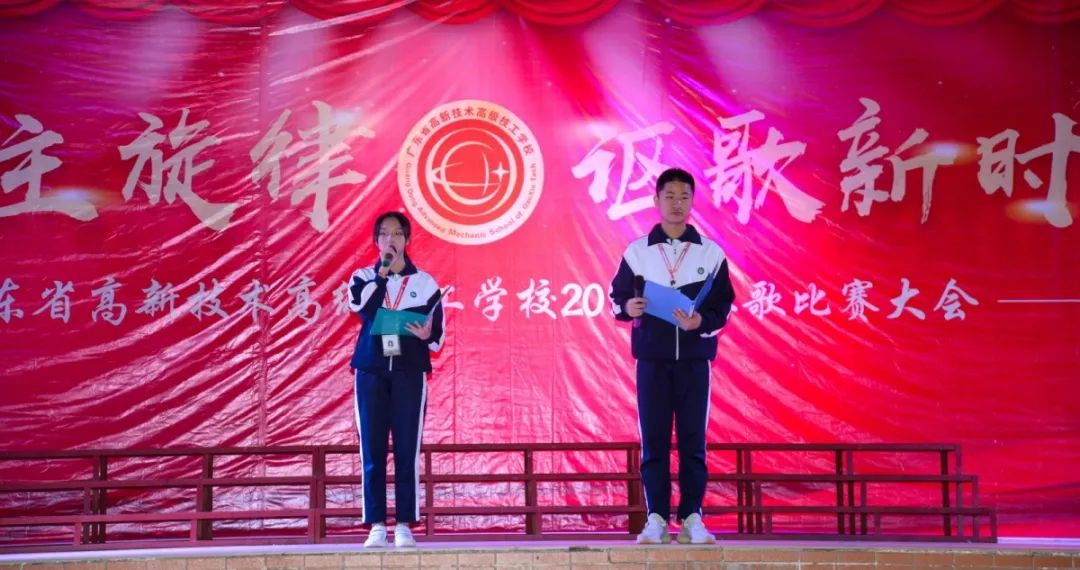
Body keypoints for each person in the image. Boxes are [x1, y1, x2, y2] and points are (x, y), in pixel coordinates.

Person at [609, 168, 736, 544]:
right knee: (655, 441)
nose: (677, 203)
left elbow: (723, 305)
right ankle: (657, 518)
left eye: (684, 197)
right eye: (670, 196)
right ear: (657, 200)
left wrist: (700, 322)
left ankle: (693, 516)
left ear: (692, 201)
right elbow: (617, 296)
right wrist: (628, 307)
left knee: (694, 441)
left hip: (695, 362)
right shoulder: (638, 251)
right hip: (652, 361)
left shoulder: (710, 253)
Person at [348, 211, 445, 548]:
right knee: (372, 450)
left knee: (407, 449)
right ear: (376, 241)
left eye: (398, 234)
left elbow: (438, 337)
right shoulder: (362, 277)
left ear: (407, 240)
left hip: (409, 373)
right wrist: (382, 274)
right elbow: (362, 308)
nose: (391, 239)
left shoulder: (426, 283)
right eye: (384, 234)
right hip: (371, 371)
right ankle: (376, 524)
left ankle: (404, 524)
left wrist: (427, 334)